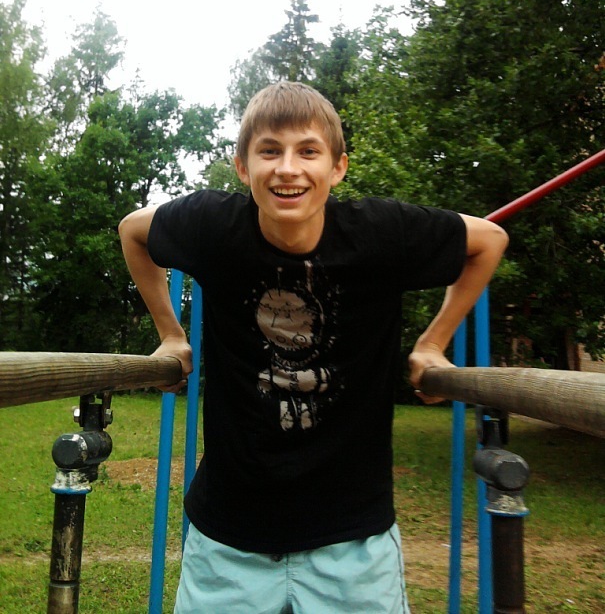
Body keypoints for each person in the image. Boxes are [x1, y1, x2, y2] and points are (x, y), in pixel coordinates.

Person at [119, 82, 508, 613]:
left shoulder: (380, 233)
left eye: (308, 151)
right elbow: (134, 232)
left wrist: (433, 342)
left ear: (337, 167)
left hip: (352, 541)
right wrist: (171, 333)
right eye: (269, 151)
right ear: (242, 167)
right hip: (230, 537)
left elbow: (488, 241)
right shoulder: (214, 226)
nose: (288, 169)